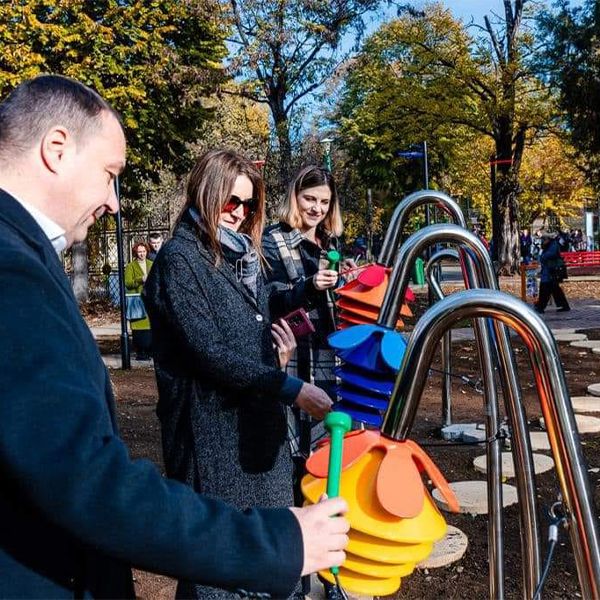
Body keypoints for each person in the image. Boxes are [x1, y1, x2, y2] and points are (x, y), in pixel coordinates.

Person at [0, 75, 349, 599]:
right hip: (211, 450)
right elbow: (86, 478)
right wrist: (273, 544)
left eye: (248, 208)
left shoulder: (23, 256)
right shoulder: (15, 271)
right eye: (109, 174)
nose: (115, 202)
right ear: (56, 149)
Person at [143, 150, 335, 599]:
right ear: (206, 193)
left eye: (248, 205)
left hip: (254, 439)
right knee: (218, 572)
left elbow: (260, 303)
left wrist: (307, 289)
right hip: (212, 444)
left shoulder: (232, 257)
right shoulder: (179, 260)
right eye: (231, 201)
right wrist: (290, 387)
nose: (239, 213)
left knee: (265, 562)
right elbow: (209, 352)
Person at [124, 241, 153, 360]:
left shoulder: (151, 264)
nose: (142, 254)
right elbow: (128, 283)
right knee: (139, 327)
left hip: (149, 299)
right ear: (135, 253)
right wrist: (141, 279)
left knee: (150, 326)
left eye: (144, 251)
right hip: (137, 300)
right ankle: (140, 351)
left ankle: (149, 350)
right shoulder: (131, 266)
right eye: (139, 252)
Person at [534, 233, 571, 314]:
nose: (542, 241)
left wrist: (542, 256)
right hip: (548, 271)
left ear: (548, 239)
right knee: (555, 289)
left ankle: (541, 307)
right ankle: (564, 306)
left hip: (551, 271)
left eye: (544, 239)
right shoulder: (548, 245)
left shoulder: (553, 244)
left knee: (545, 289)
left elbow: (550, 255)